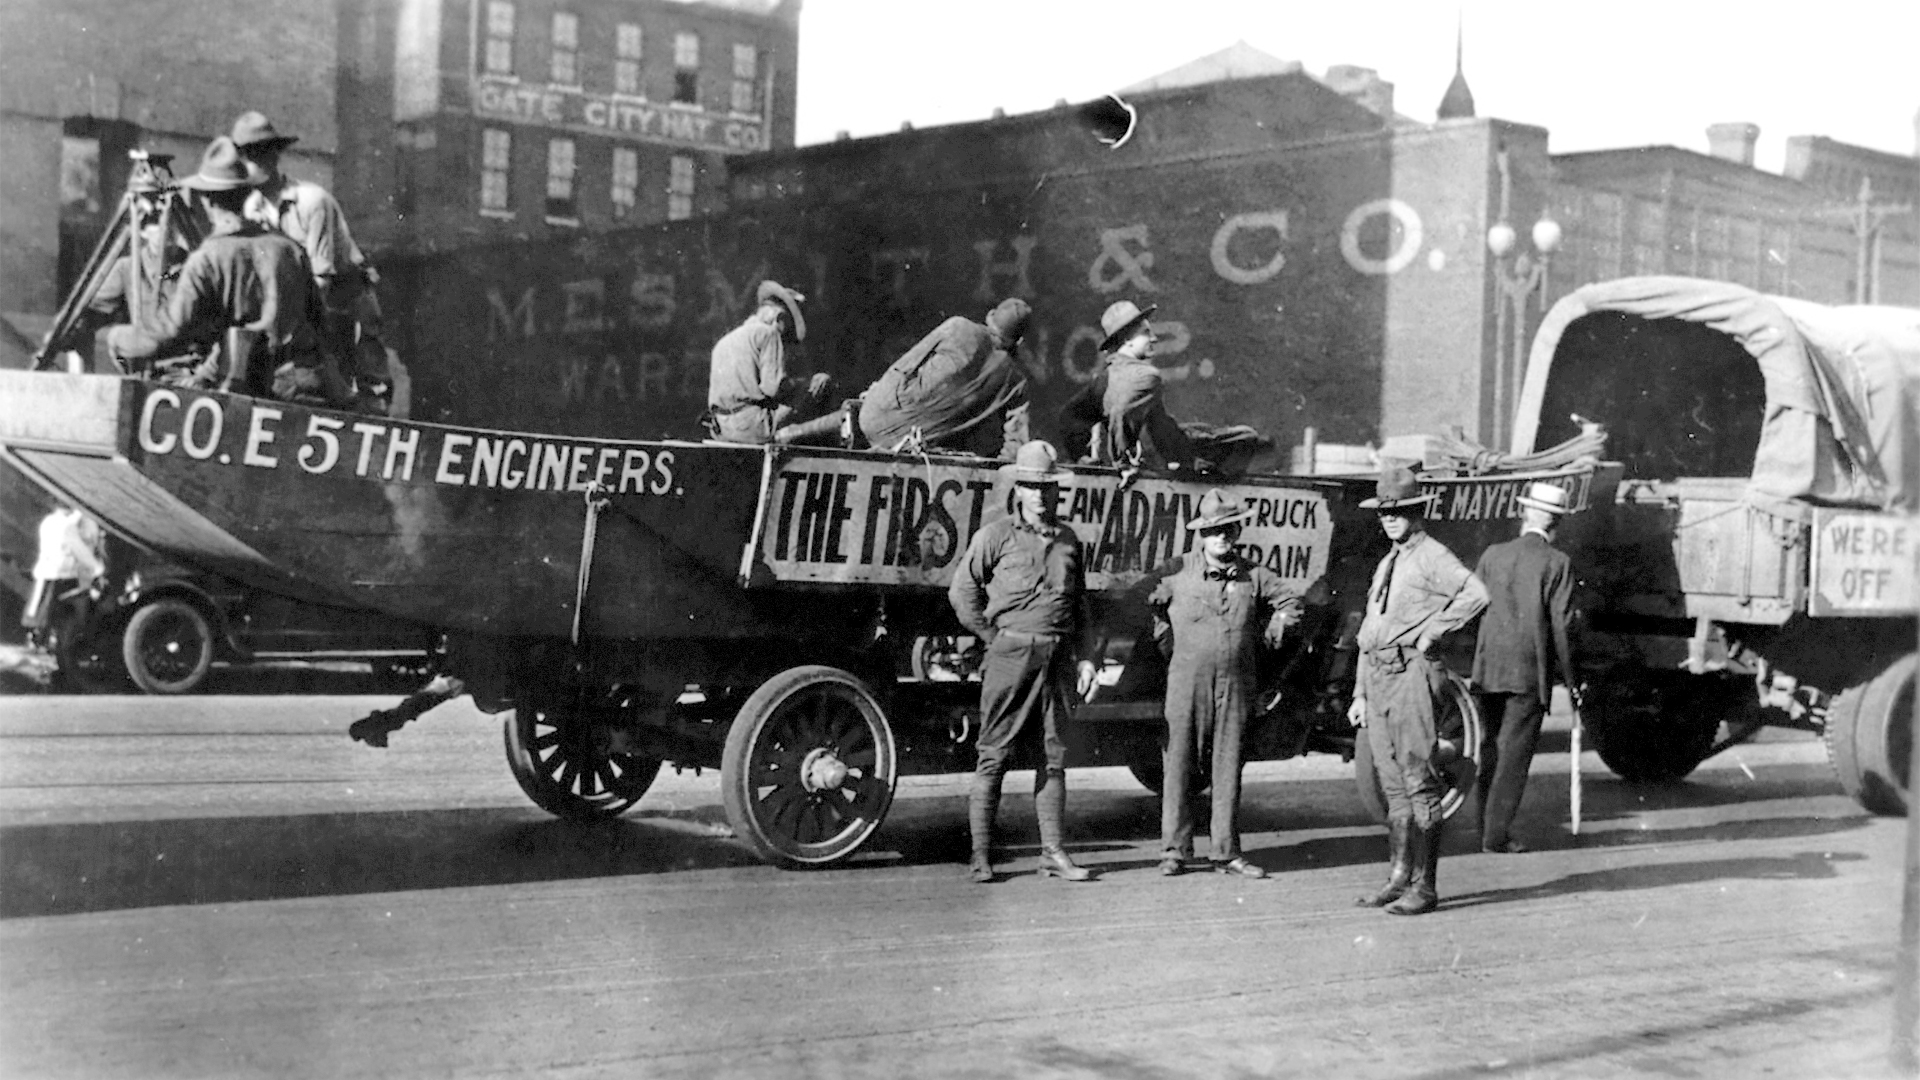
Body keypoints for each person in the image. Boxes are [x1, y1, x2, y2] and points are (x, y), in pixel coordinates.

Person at [948, 440, 1100, 884]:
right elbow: (963, 592)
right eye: (1031, 486)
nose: (1039, 495)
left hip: (1058, 658)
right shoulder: (995, 535)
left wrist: (1088, 658)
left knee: (1054, 757)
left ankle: (1053, 852)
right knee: (994, 755)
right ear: (1018, 489)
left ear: (1058, 492)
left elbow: (1082, 605)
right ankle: (980, 855)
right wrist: (993, 637)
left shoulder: (1070, 540)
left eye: (1047, 487)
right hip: (1011, 655)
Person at [107, 138, 346, 405]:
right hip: (302, 391)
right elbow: (320, 323)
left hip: (248, 393)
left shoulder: (208, 259)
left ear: (207, 201)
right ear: (247, 195)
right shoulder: (289, 249)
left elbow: (171, 332)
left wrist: (119, 339)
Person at [1349, 463, 1488, 916]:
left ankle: (1424, 887)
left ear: (1417, 511)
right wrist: (1360, 693)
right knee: (1392, 785)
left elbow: (1475, 594)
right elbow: (1370, 630)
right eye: (1383, 512)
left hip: (1411, 676)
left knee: (1419, 779)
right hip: (1379, 675)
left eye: (1399, 510)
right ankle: (1398, 878)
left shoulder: (1432, 556)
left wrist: (1434, 632)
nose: (1389, 518)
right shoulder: (1390, 560)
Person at [1147, 489, 1304, 878]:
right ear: (1201, 533)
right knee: (1179, 764)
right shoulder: (1175, 570)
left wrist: (1269, 636)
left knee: (1228, 766)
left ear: (1237, 531)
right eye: (1214, 530)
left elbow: (1291, 604)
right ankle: (1174, 851)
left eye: (1229, 529)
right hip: (1187, 683)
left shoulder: (1254, 575)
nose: (1222, 537)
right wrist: (1167, 640)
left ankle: (1226, 852)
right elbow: (1142, 600)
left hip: (1236, 685)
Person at [230, 111, 390, 406]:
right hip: (303, 305)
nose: (253, 165)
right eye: (246, 157)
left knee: (368, 392)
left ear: (274, 158)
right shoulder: (252, 208)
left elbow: (323, 279)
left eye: (261, 155)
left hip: (346, 298)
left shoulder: (313, 202)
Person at [1470, 481, 1580, 854]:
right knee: (1514, 756)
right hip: (1527, 674)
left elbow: (1472, 608)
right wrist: (1572, 678)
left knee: (1488, 748)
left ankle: (1482, 826)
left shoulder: (1492, 555)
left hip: (1488, 669)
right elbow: (1563, 626)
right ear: (1556, 523)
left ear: (1525, 514)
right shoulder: (1557, 563)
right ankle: (1495, 835)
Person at [856, 298, 1031, 458]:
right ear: (1019, 341)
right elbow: (1015, 444)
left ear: (989, 316)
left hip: (872, 415)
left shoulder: (958, 327)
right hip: (912, 447)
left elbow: (906, 364)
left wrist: (874, 393)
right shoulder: (1015, 380)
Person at [706, 280, 832, 443]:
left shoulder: (725, 340)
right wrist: (803, 384)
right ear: (779, 318)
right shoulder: (768, 334)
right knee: (821, 382)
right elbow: (774, 388)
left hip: (721, 427)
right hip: (752, 427)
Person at [1096, 300, 1194, 472]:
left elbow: (1070, 417)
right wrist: (1123, 462)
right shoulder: (1144, 376)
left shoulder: (1104, 377)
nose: (1154, 338)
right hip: (1134, 470)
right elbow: (1121, 412)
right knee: (1244, 437)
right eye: (1146, 332)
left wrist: (1082, 457)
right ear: (1128, 339)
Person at [21, 504, 106, 649]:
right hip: (59, 574)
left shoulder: (50, 521)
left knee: (44, 610)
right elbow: (79, 549)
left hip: (53, 572)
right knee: (49, 611)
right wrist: (97, 567)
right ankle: (42, 639)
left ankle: (39, 638)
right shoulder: (68, 525)